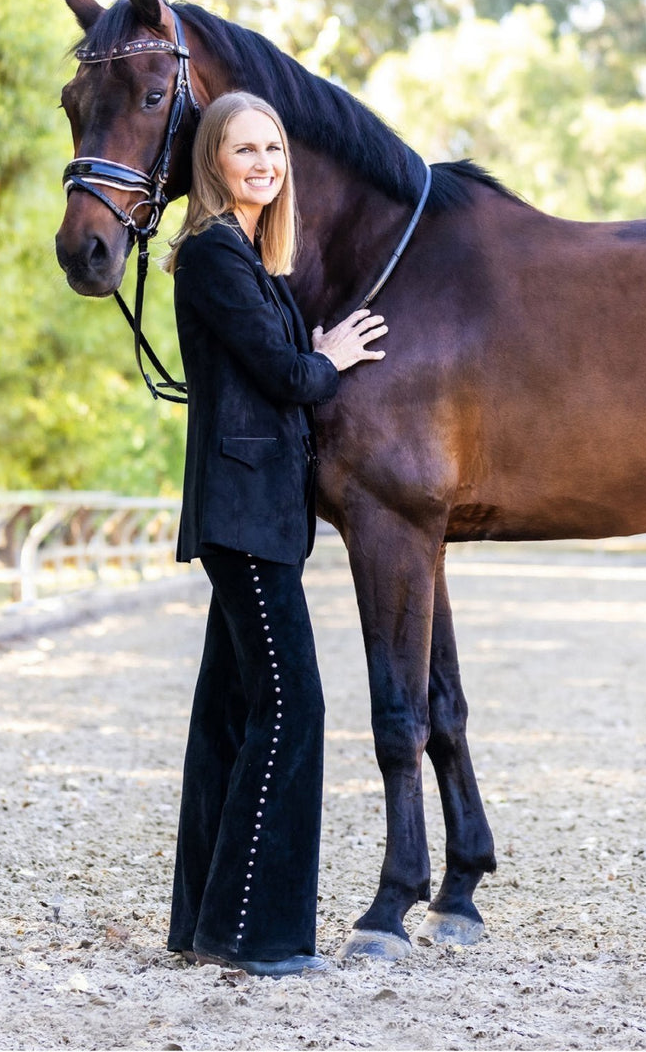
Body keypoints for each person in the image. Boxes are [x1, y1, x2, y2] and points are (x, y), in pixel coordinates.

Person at [162, 91, 386, 976]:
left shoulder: (251, 258)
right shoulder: (214, 253)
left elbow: (279, 362)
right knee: (293, 707)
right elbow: (289, 378)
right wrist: (327, 357)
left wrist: (311, 348)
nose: (263, 164)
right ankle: (257, 938)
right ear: (213, 161)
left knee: (229, 715)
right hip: (244, 516)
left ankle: (203, 926)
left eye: (274, 150)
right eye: (245, 150)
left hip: (260, 516)